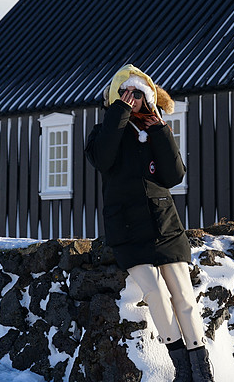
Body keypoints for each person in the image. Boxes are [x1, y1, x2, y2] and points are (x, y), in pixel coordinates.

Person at [85, 64, 216, 382]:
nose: (134, 101)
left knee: (183, 295)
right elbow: (103, 160)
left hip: (165, 226)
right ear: (117, 97)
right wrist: (119, 113)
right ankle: (182, 370)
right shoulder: (103, 132)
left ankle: (203, 372)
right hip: (127, 230)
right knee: (156, 292)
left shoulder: (155, 130)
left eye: (140, 95)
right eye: (127, 95)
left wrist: (158, 128)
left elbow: (174, 176)